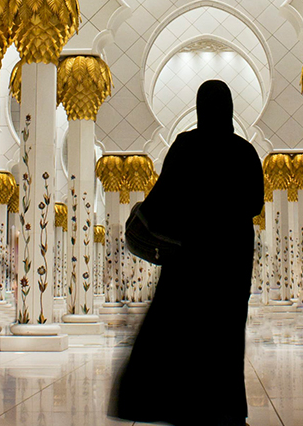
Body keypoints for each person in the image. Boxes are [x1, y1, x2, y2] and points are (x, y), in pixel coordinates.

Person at [110, 79, 264, 426]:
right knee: (226, 333)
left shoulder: (186, 146)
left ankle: (186, 403)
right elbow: (255, 203)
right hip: (232, 258)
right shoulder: (245, 152)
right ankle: (227, 408)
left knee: (187, 327)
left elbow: (164, 195)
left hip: (191, 255)